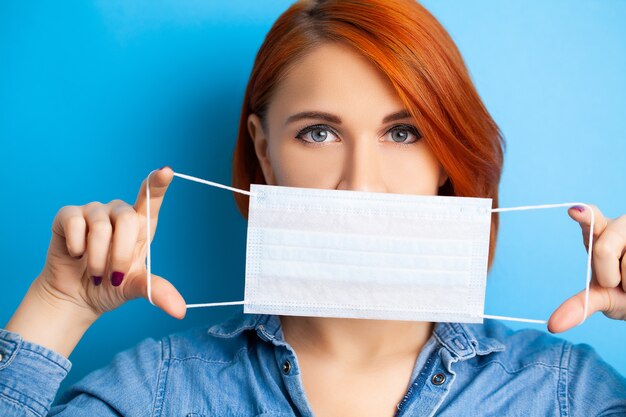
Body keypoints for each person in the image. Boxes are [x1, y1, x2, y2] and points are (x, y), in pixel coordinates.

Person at [1, 0, 625, 416]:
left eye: (403, 133)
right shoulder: (160, 391)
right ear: (263, 153)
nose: (361, 184)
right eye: (319, 133)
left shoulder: (565, 394)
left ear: (446, 158)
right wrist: (57, 309)